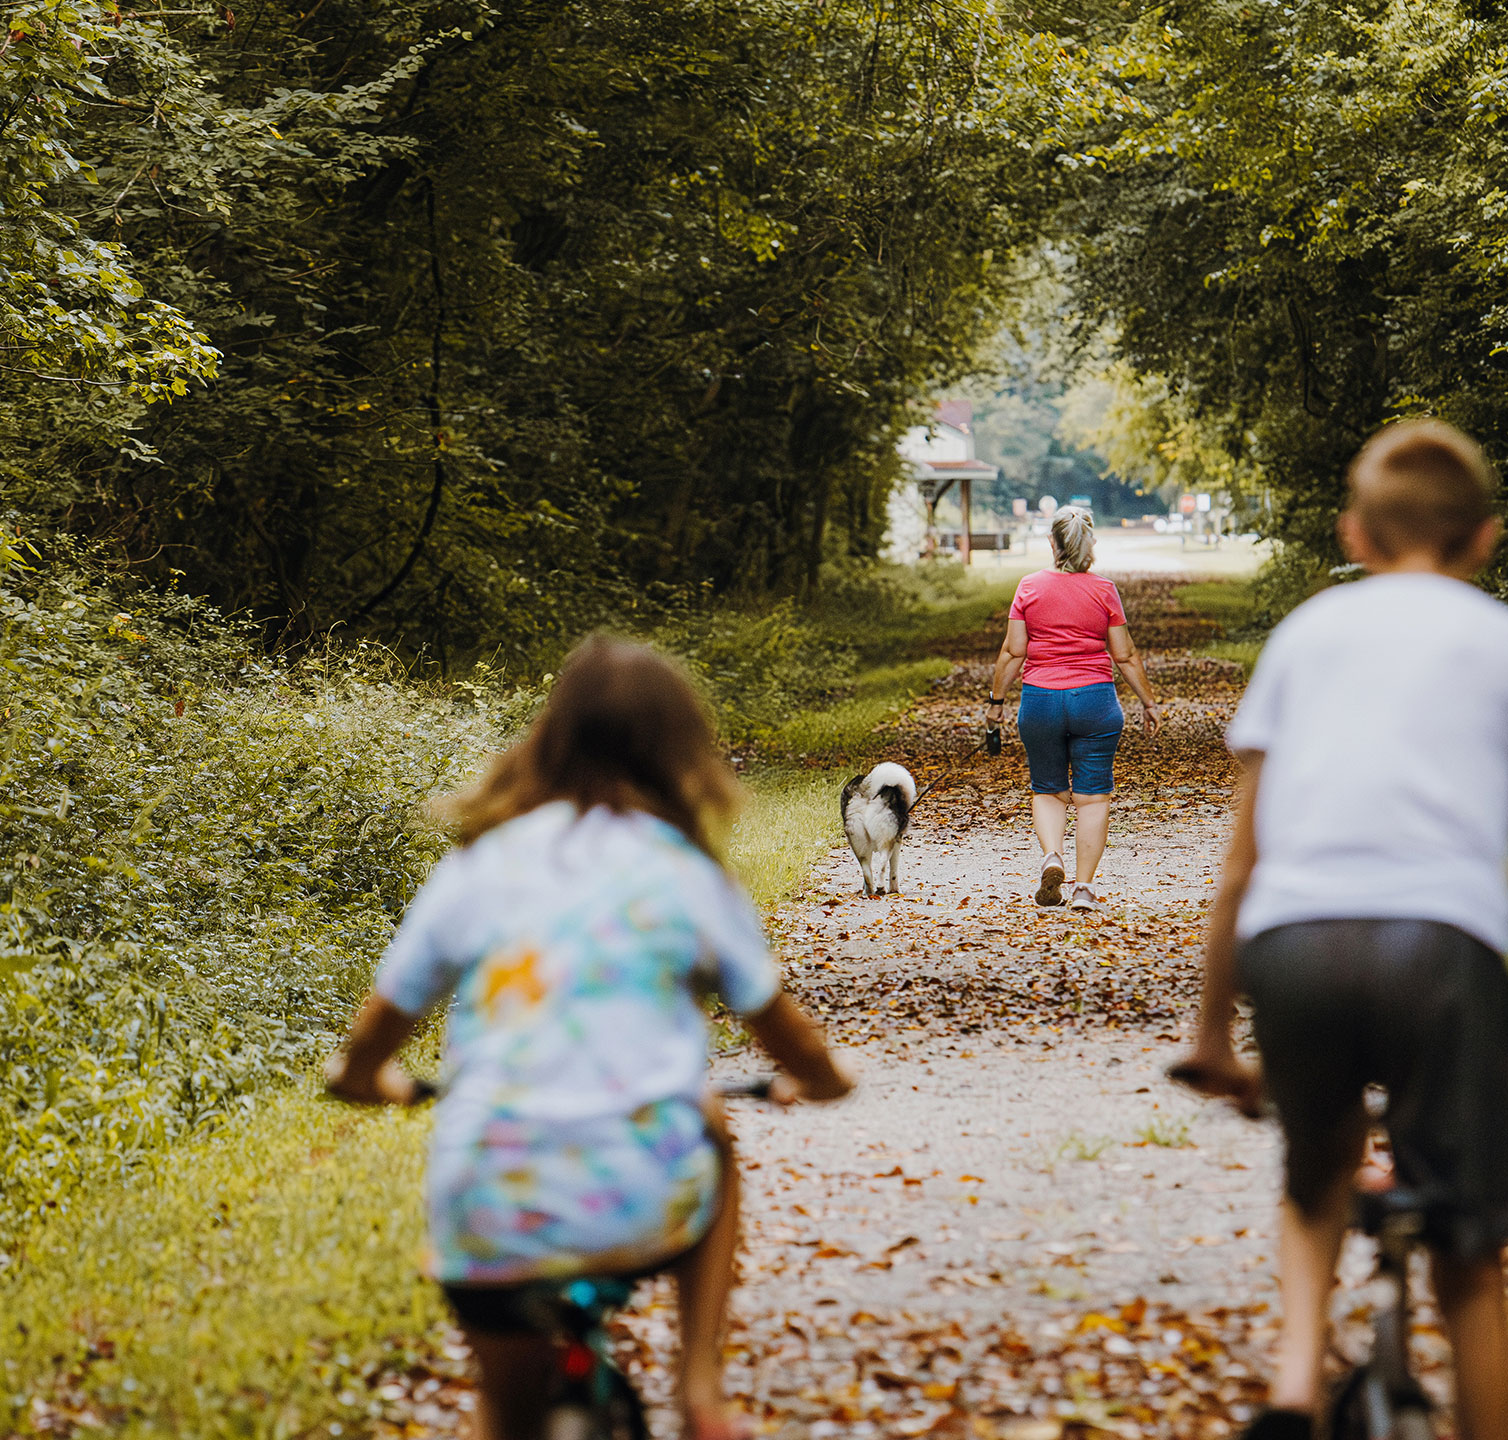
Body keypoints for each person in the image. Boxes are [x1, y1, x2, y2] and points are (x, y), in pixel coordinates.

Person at [1171, 420, 1508, 1440]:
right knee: (1467, 1256)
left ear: (1351, 533)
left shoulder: (1304, 638)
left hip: (1294, 943)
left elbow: (1241, 863)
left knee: (1315, 1172)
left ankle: (1288, 1387)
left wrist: (1211, 1035)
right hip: (1441, 952)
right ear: (1483, 538)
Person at [324, 636, 854, 1440]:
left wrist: (365, 1079)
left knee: (506, 1417)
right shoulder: (684, 874)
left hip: (492, 1209)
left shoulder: (480, 865)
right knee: (707, 1125)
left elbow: (375, 1033)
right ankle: (700, 1390)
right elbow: (787, 1035)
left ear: (551, 736)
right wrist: (825, 1079)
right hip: (641, 1195)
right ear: (678, 751)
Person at [986, 505, 1161, 911]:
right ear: (1090, 546)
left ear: (1052, 543)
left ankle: (1052, 857)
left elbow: (1014, 652)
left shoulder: (1028, 587)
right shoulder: (1104, 591)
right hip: (1095, 702)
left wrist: (996, 702)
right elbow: (1126, 655)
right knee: (1093, 798)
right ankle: (1083, 889)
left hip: (1041, 701)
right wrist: (1149, 702)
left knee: (1047, 790)